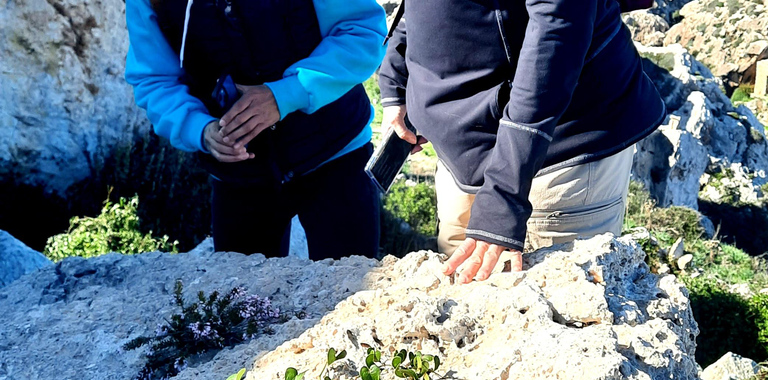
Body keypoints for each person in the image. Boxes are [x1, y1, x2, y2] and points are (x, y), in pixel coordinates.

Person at [380, 0, 666, 283]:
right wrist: (397, 76)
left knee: (560, 310)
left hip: (559, 149)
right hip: (461, 154)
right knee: (461, 301)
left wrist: (504, 194)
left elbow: (558, 28)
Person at [125, 0, 387, 259]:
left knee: (353, 295)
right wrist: (200, 129)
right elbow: (154, 78)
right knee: (242, 301)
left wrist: (285, 94)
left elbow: (361, 29)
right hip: (237, 176)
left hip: (336, 154)